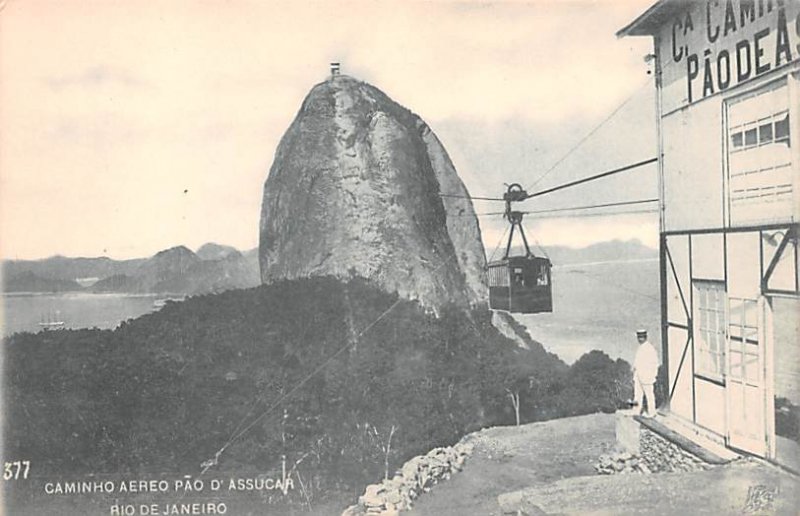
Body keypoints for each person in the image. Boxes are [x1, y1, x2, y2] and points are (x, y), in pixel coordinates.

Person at [632, 329, 658, 418]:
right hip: (638, 375)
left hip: (647, 376)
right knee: (637, 394)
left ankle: (652, 412)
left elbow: (654, 363)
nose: (640, 339)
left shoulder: (650, 348)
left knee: (649, 394)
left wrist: (653, 375)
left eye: (642, 337)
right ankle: (636, 410)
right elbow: (637, 362)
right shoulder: (640, 348)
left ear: (645, 337)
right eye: (639, 337)